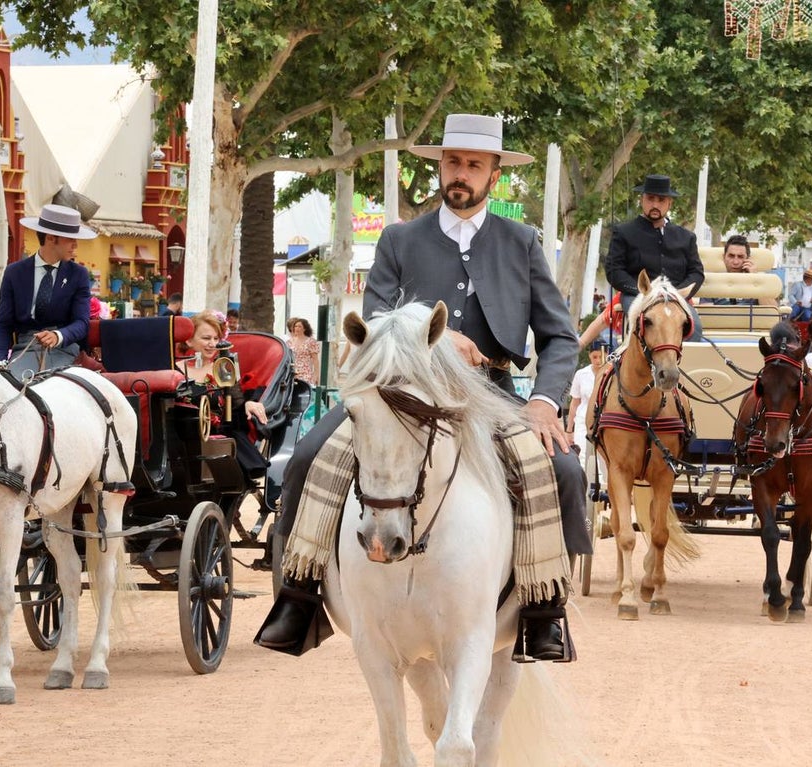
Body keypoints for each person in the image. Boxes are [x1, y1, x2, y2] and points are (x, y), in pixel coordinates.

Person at [256, 113, 588, 663]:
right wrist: (440, 337)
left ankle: (542, 610)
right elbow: (376, 314)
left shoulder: (522, 242)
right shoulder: (399, 239)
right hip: (398, 395)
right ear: (440, 166)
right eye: (453, 162)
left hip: (491, 392)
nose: (461, 174)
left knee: (563, 471)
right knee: (308, 456)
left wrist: (543, 402)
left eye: (474, 165)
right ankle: (300, 594)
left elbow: (560, 336)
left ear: (494, 174)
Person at [0, 204, 95, 379]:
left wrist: (58, 336)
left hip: (65, 351)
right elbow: (3, 325)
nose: (75, 245)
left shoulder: (79, 275)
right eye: (70, 239)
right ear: (50, 238)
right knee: (9, 392)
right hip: (25, 351)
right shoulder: (14, 273)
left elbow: (82, 323)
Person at [604, 174, 704, 340]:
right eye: (650, 199)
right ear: (642, 200)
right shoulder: (624, 233)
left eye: (661, 200)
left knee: (694, 330)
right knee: (644, 325)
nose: (655, 204)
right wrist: (643, 291)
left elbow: (696, 272)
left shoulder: (686, 237)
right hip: (638, 295)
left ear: (669, 203)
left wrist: (678, 293)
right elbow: (614, 270)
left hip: (674, 297)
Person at [177, 312, 269, 479]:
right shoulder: (174, 369)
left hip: (214, 439)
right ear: (189, 340)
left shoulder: (223, 368)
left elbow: (236, 402)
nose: (212, 344)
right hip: (178, 439)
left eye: (215, 338)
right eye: (206, 338)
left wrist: (249, 404)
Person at [708, 235, 777, 307]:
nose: (735, 262)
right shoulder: (712, 281)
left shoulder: (760, 280)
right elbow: (704, 314)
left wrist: (756, 279)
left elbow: (773, 311)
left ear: (748, 259)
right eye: (731, 256)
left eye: (740, 257)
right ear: (724, 257)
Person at [567, 341, 607, 457]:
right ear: (589, 355)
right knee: (583, 456)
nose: (598, 360)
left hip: (604, 422)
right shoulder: (581, 374)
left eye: (601, 357)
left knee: (602, 460)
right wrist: (569, 430)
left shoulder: (612, 374)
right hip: (583, 421)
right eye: (595, 357)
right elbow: (575, 403)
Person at [285, 317, 320, 385]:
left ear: (304, 329)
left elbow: (315, 360)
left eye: (299, 326)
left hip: (306, 373)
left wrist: (316, 375)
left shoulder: (311, 341)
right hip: (293, 372)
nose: (297, 328)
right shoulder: (289, 342)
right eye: (295, 326)